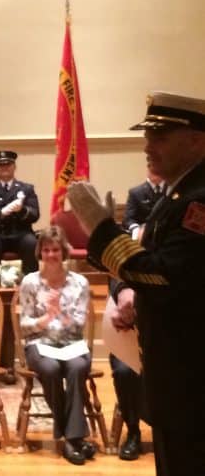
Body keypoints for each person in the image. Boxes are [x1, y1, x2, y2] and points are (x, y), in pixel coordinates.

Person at [68, 91, 205, 476]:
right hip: (174, 369)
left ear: (196, 139)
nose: (148, 146)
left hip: (192, 374)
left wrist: (100, 228)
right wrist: (130, 289)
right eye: (148, 136)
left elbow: (163, 273)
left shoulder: (199, 200)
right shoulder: (176, 193)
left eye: (160, 137)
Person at [18, 225, 96, 466]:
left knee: (76, 368)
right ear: (40, 252)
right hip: (40, 345)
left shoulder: (79, 282)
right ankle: (75, 439)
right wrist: (45, 319)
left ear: (64, 252)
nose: (51, 255)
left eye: (56, 250)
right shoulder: (30, 282)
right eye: (46, 250)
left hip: (72, 343)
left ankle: (70, 439)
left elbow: (80, 324)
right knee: (50, 369)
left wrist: (59, 312)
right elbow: (24, 324)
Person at [0, 150, 40, 273]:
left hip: (20, 232)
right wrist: (0, 213)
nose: (4, 167)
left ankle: (30, 283)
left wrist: (22, 210)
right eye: (0, 165)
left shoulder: (27, 189)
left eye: (8, 164)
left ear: (14, 166)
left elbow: (35, 214)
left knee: (31, 242)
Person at [107, 279, 145, 461]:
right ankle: (133, 432)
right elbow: (114, 274)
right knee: (124, 371)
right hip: (130, 334)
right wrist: (123, 290)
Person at [123, 167, 165, 240]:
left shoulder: (171, 190)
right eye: (150, 166)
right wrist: (136, 229)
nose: (154, 169)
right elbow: (129, 219)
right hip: (143, 236)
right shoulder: (136, 192)